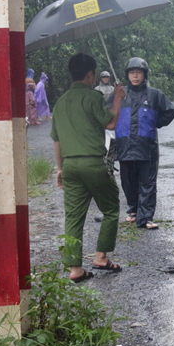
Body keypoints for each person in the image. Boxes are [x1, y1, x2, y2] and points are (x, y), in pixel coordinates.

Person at [50, 53, 126, 282]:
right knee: (111, 209)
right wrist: (118, 98)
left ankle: (75, 269)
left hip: (70, 165)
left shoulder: (60, 102)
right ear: (90, 74)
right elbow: (110, 122)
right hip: (93, 162)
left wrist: (59, 169)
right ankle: (101, 256)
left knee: (73, 217)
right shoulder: (92, 97)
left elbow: (57, 140)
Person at [112, 57, 174, 229]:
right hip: (124, 144)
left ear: (144, 75)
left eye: (138, 72)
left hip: (146, 146)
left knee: (147, 183)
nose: (135, 76)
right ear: (127, 75)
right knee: (128, 182)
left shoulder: (154, 94)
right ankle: (133, 210)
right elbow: (105, 112)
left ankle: (146, 217)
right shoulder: (120, 94)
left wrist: (155, 122)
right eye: (132, 72)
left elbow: (171, 111)